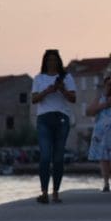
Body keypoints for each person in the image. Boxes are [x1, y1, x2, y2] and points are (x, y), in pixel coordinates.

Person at [31, 49, 77, 204]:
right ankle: (44, 192)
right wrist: (47, 91)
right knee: (45, 156)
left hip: (61, 117)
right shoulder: (39, 78)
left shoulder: (67, 77)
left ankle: (56, 192)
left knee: (58, 157)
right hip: (44, 118)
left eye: (54, 59)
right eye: (49, 60)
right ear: (45, 61)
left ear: (59, 61)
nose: (52, 62)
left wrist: (62, 89)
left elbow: (73, 98)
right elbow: (34, 99)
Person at [85, 77, 111, 193]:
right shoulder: (100, 98)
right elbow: (89, 111)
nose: (109, 87)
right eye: (107, 85)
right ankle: (106, 182)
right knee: (103, 158)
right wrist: (105, 104)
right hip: (101, 132)